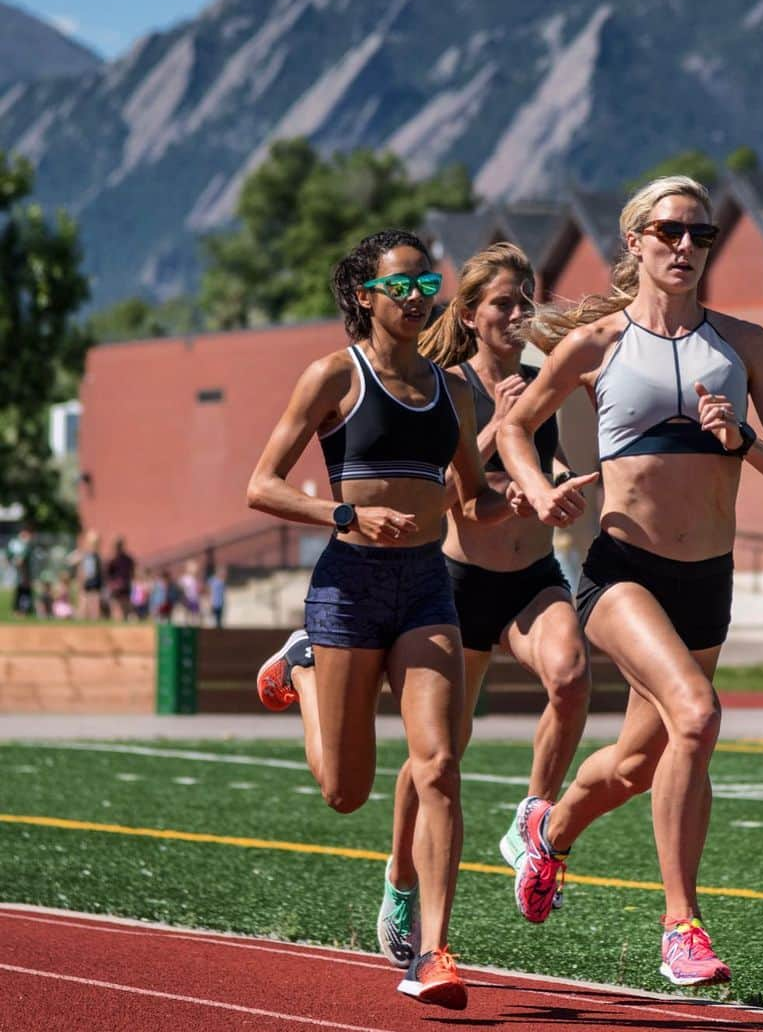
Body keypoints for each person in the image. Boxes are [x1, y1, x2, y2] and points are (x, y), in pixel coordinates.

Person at [496, 176, 763, 989]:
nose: (685, 248)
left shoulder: (745, 343)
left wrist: (740, 440)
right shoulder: (597, 343)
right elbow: (515, 426)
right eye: (670, 231)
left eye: (702, 236)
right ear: (635, 240)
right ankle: (681, 925)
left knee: (641, 761)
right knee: (697, 716)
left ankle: (551, 836)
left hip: (708, 577)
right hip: (622, 571)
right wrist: (537, 490)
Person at [247, 228, 510, 1010]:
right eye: (401, 285)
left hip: (428, 589)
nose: (417, 296)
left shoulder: (455, 392)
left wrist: (524, 499)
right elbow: (261, 486)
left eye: (425, 283)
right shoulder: (335, 376)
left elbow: (473, 501)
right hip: (350, 591)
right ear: (364, 297)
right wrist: (343, 516)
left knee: (439, 763)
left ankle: (433, 952)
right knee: (345, 792)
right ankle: (301, 661)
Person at [372, 242, 591, 968]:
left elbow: (547, 457)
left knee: (570, 675)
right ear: (468, 312)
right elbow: (444, 493)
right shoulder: (446, 387)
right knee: (440, 756)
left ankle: (531, 822)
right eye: (504, 301)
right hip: (459, 586)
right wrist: (497, 427)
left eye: (526, 300)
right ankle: (401, 878)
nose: (518, 313)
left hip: (530, 576)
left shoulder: (537, 382)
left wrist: (559, 487)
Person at [68, 531, 103, 620]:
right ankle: (83, 617)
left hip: (93, 580)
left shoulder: (95, 556)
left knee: (93, 599)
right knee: (85, 599)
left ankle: (92, 617)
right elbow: (71, 560)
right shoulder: (86, 554)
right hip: (87, 580)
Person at [6, 525, 35, 617]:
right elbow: (10, 555)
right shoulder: (17, 542)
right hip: (19, 571)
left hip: (24, 571)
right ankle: (18, 610)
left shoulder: (25, 543)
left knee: (25, 591)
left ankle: (24, 610)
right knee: (21, 591)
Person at [105, 537, 136, 621]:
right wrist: (113, 583)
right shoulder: (113, 560)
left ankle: (125, 620)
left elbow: (132, 571)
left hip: (124, 586)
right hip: (117, 587)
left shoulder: (127, 559)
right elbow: (108, 574)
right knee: (117, 607)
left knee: (125, 606)